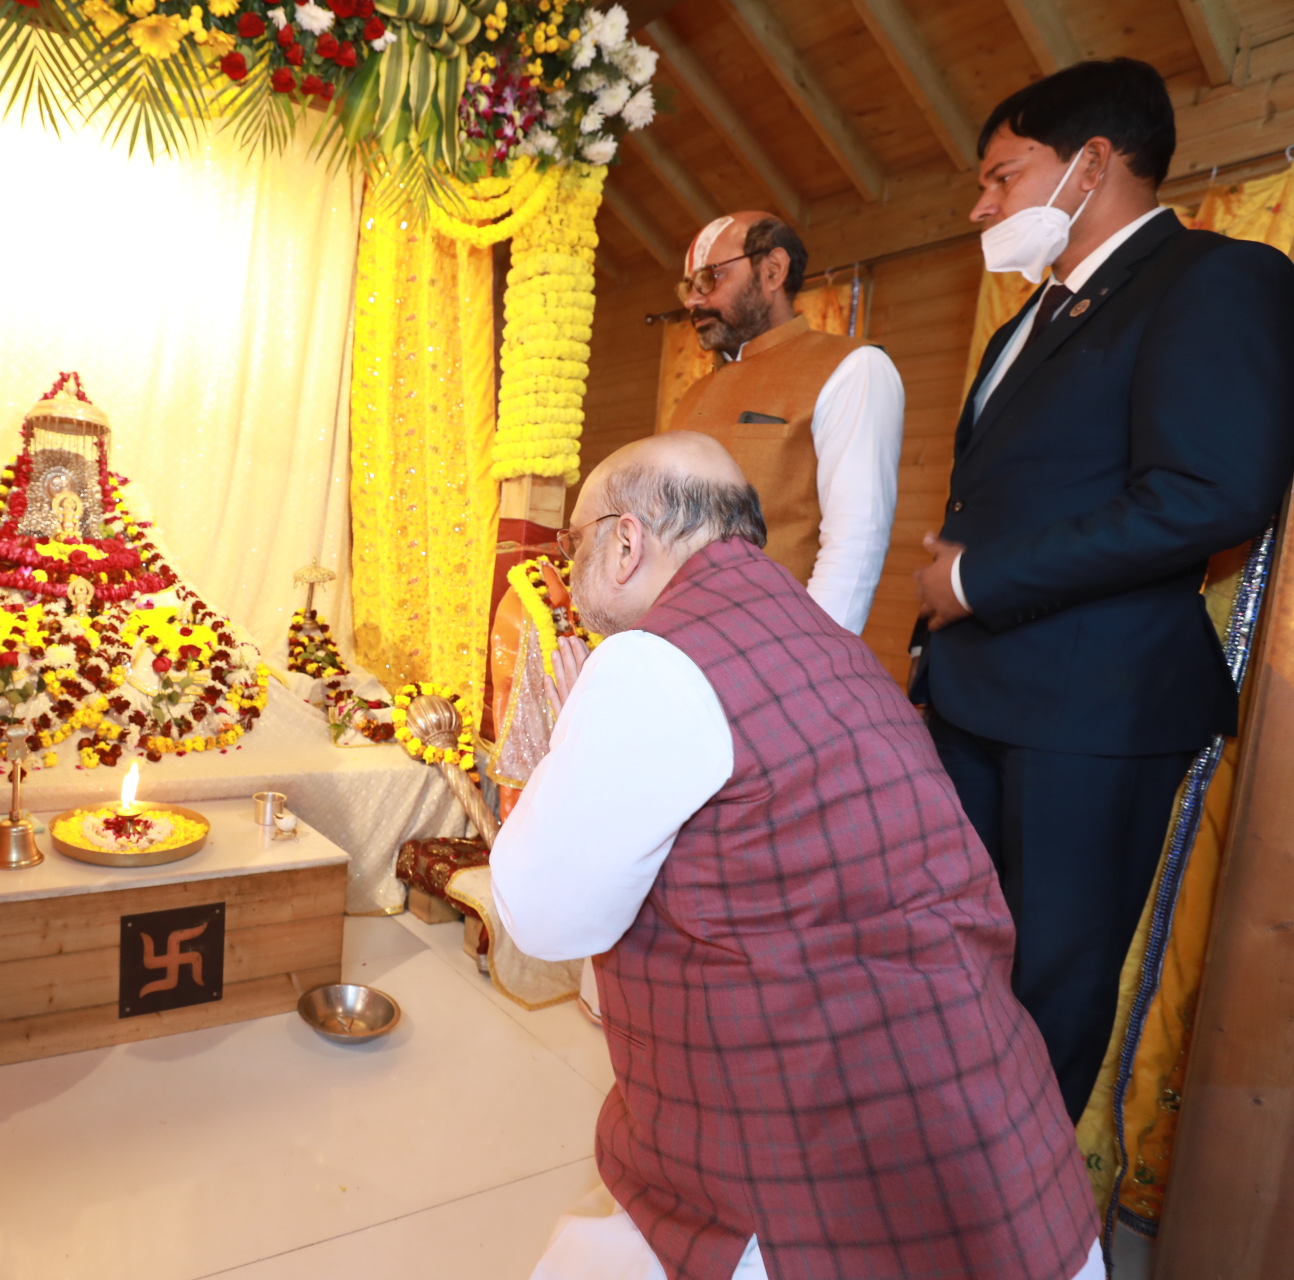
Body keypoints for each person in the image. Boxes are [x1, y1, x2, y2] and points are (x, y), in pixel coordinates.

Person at [498, 433, 1102, 1280]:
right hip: (997, 1137)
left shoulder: (654, 659)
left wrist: (561, 745)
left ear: (627, 541)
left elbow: (545, 916)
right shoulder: (831, 643)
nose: (566, 567)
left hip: (811, 1172)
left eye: (574, 541)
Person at [910, 58, 1294, 1120]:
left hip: (1092, 708)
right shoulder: (1026, 319)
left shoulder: (1217, 278)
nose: (983, 205)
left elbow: (1211, 491)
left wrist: (977, 577)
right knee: (943, 970)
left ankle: (1011, 1226)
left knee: (1045, 996)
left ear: (1092, 162)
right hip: (974, 696)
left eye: (1001, 176)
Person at [664, 212, 902, 635]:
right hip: (672, 644)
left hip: (772, 651)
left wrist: (812, 661)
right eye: (688, 286)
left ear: (772, 270)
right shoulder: (693, 395)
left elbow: (854, 545)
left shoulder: (852, 368)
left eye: (710, 278)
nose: (693, 301)